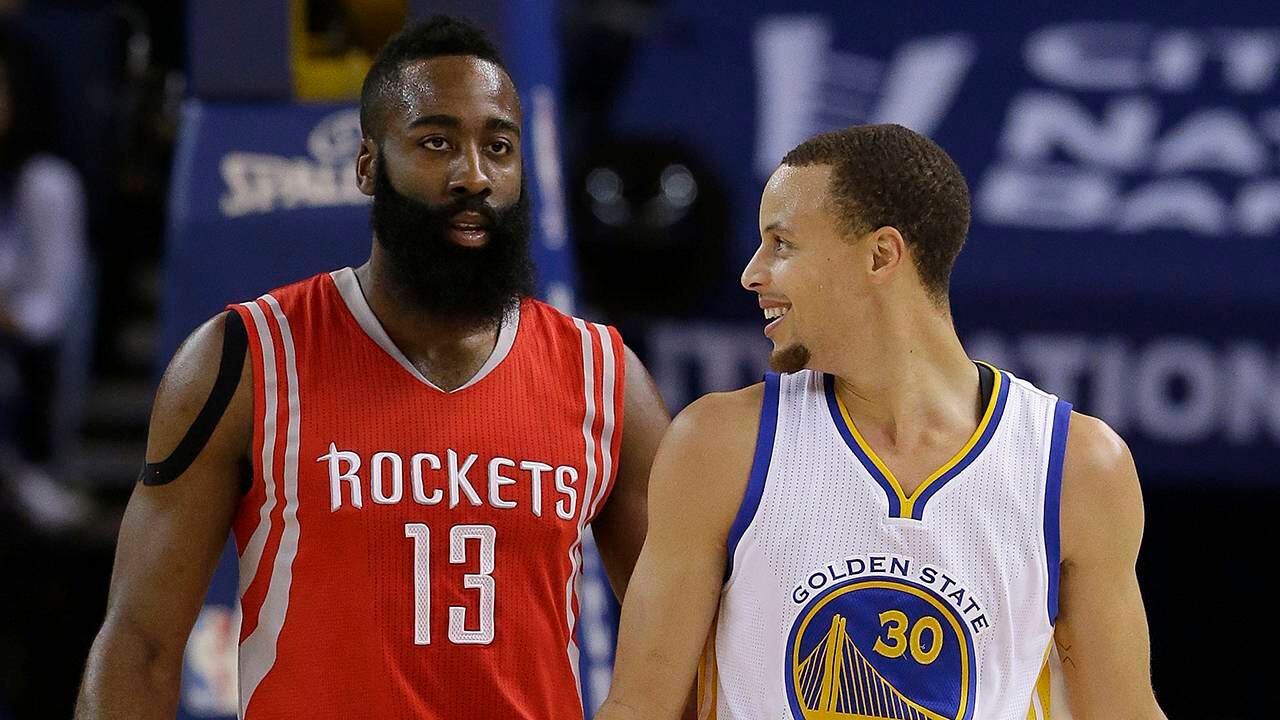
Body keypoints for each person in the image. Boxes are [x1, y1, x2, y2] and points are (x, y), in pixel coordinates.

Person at [75, 16, 668, 720]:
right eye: (436, 142)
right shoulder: (247, 357)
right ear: (367, 165)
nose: (473, 175)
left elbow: (684, 642)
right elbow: (139, 645)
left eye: (498, 147)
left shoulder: (603, 376)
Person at [596, 124, 1165, 719]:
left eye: (781, 244)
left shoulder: (1077, 466)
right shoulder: (718, 444)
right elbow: (638, 709)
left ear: (880, 255)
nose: (752, 274)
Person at [0, 23, 90, 524]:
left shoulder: (47, 184)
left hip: (25, 347)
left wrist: (10, 318)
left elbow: (52, 307)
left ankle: (33, 469)